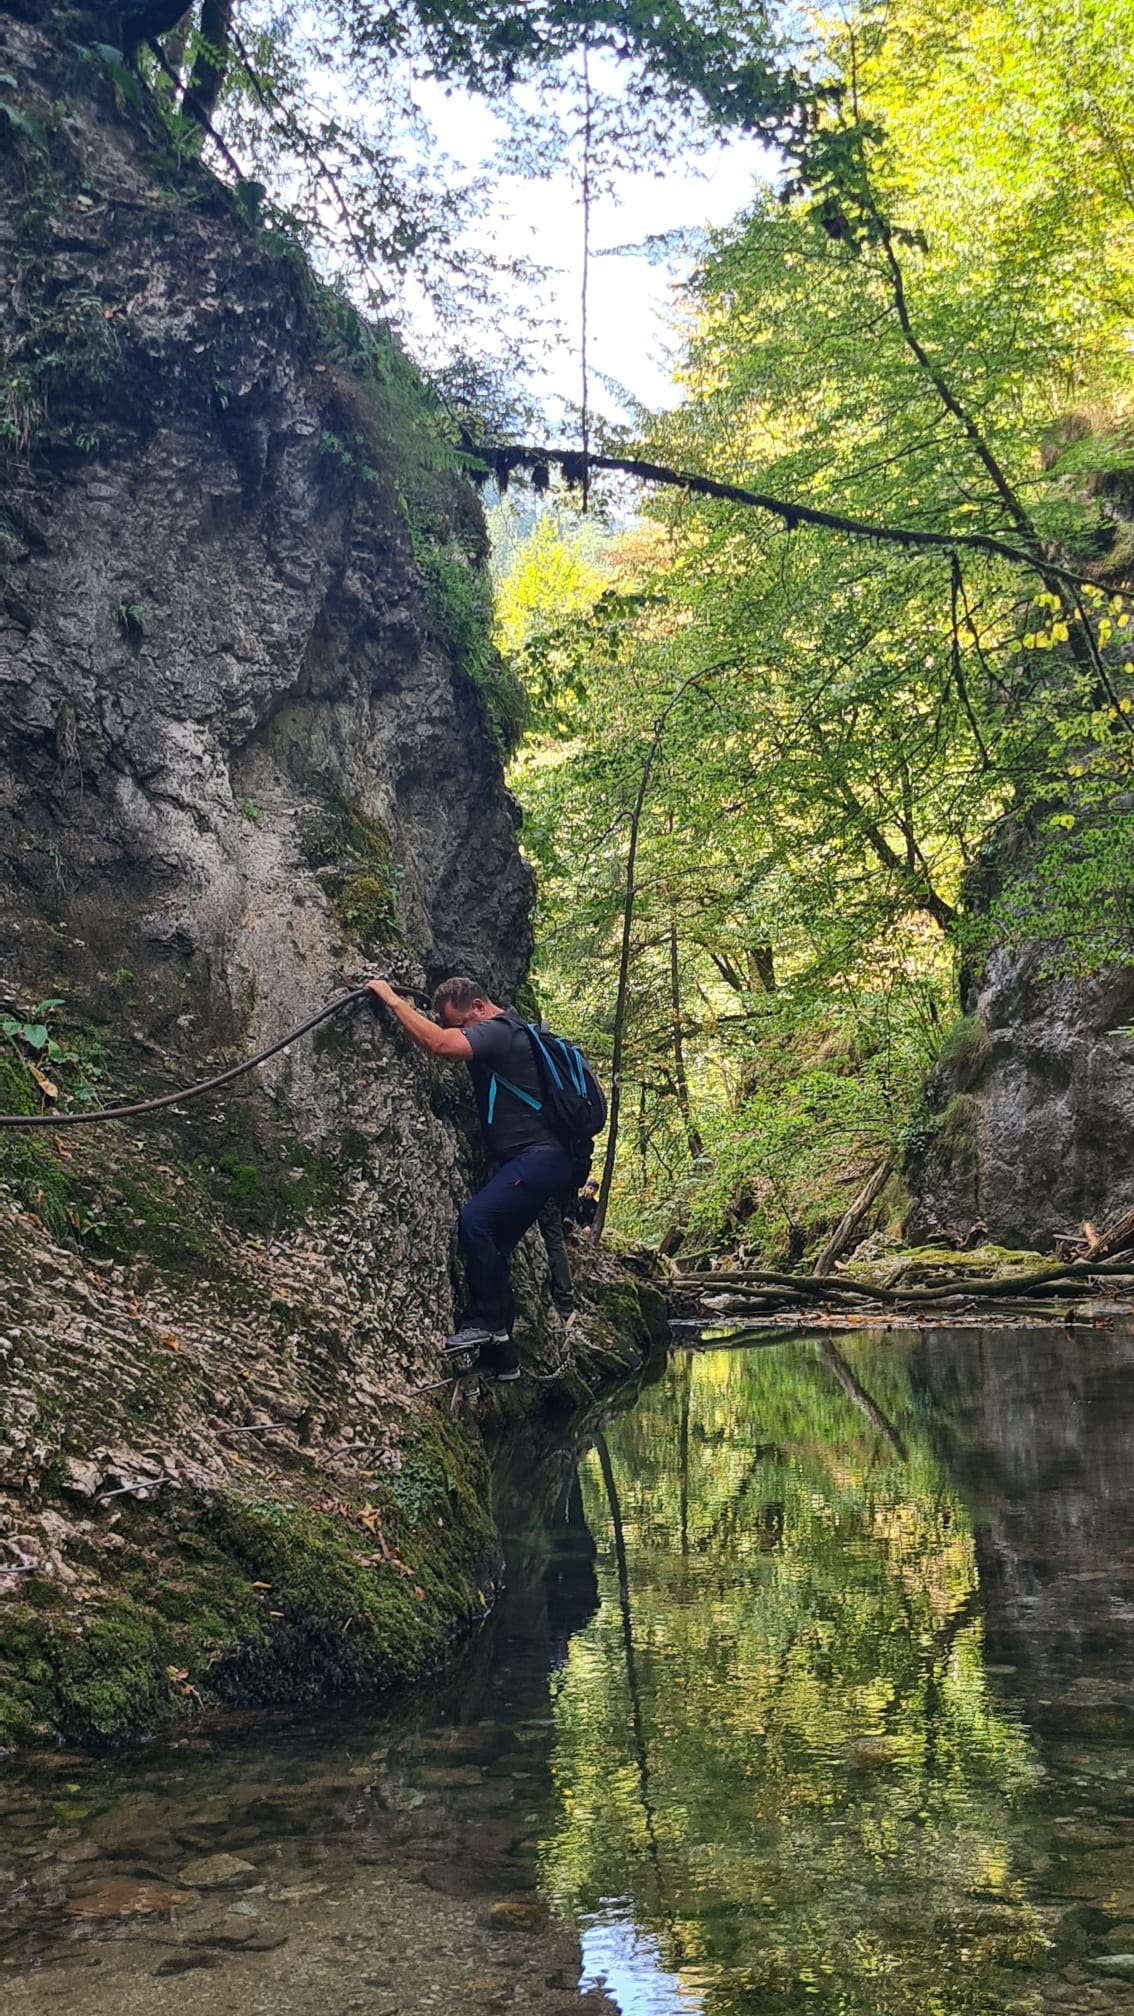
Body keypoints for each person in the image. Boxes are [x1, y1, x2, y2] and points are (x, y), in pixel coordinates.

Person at [366, 973, 574, 1381]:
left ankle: (484, 1323)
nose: (456, 1034)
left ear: (477, 1008)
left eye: (457, 1024)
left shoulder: (499, 1031)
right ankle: (503, 1357)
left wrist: (392, 1000)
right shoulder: (510, 1032)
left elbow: (438, 1045)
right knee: (494, 1245)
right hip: (542, 1164)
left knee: (475, 1220)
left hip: (535, 1161)